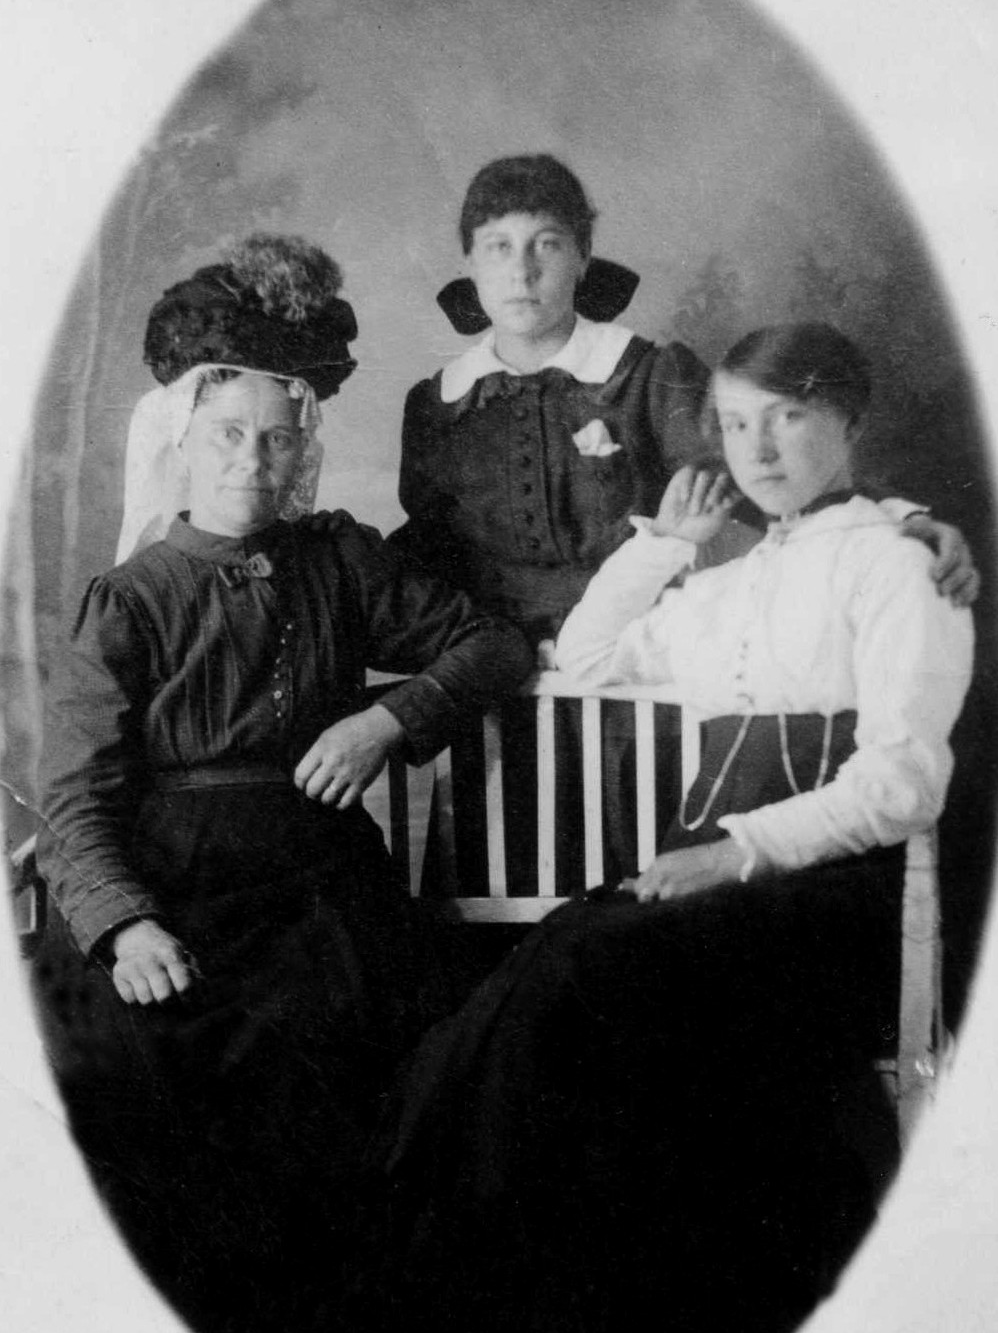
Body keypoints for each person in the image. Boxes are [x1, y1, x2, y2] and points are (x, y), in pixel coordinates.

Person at [354, 322, 975, 1333]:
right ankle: (482, 1306)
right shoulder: (730, 580)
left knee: (582, 962)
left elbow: (901, 784)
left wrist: (731, 850)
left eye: (786, 416)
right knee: (563, 949)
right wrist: (661, 546)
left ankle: (447, 1267)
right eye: (734, 424)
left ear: (846, 421)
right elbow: (583, 661)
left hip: (834, 896)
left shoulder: (900, 566)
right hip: (711, 891)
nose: (758, 448)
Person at [29, 234, 533, 1333]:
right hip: (178, 888)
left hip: (322, 881)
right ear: (180, 442)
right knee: (140, 1064)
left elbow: (491, 645)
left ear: (302, 447)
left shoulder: (339, 559)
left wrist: (385, 720)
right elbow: (76, 799)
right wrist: (125, 924)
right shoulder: (128, 600)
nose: (252, 462)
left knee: (383, 1073)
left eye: (274, 440)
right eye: (226, 436)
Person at [390, 153, 979, 891]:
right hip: (497, 698)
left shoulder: (648, 373)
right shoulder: (438, 402)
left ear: (583, 258)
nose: (523, 271)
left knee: (633, 892)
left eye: (547, 244)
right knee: (486, 893)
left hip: (627, 695)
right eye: (498, 247)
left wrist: (898, 521)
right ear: (469, 265)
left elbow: (764, 476)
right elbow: (424, 545)